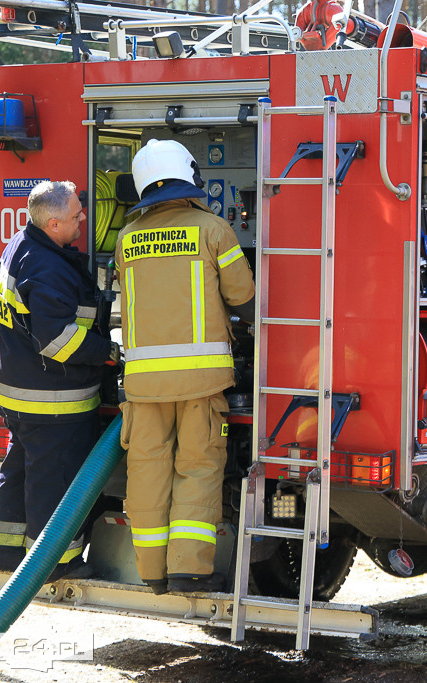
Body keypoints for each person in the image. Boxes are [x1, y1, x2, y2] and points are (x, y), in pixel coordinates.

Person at [115, 139, 255, 594]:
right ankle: (189, 569)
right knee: (197, 468)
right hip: (201, 383)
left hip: (142, 386)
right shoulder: (213, 229)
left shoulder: (126, 237)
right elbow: (243, 297)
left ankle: (152, 573)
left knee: (148, 473)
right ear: (187, 175)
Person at [0, 180, 118, 581]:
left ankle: (5, 555)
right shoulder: (46, 269)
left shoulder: (19, 246)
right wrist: (108, 353)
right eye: (78, 213)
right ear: (54, 222)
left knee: (19, 472)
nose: (84, 218)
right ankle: (56, 565)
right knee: (55, 482)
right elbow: (56, 341)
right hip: (51, 402)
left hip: (17, 394)